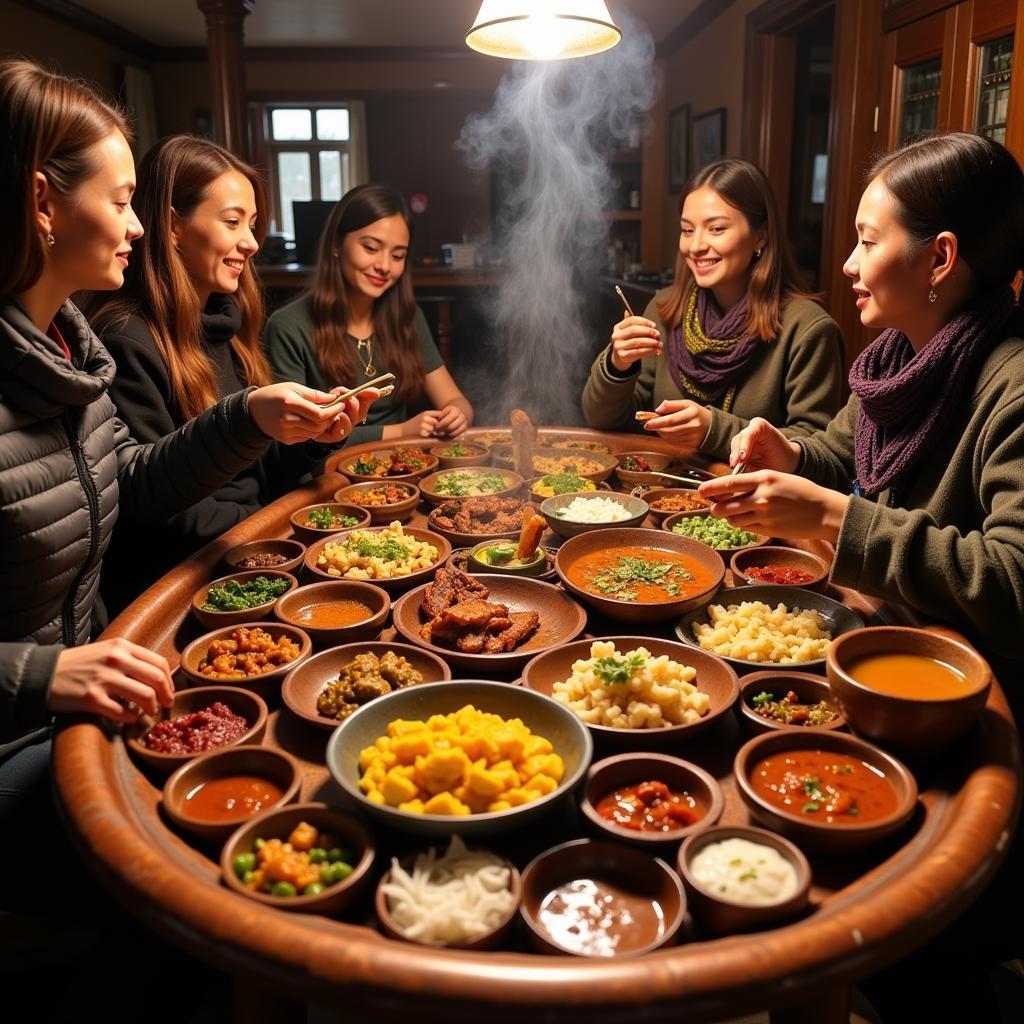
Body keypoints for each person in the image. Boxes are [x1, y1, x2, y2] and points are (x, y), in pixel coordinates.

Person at [0, 58, 376, 762]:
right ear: (43, 204)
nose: (136, 227)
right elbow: (151, 515)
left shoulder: (75, 356)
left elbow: (133, 480)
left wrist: (257, 417)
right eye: (120, 203)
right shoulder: (117, 338)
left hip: (108, 682)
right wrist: (45, 672)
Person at [85, 135, 339, 614]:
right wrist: (273, 530)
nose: (251, 241)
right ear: (173, 226)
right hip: (185, 583)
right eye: (232, 222)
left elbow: (257, 475)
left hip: (249, 549)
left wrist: (313, 437)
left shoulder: (227, 322)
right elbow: (149, 507)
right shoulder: (124, 337)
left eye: (254, 224)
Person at [581, 159, 843, 460]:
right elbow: (604, 420)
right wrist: (618, 364)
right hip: (666, 495)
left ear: (760, 236)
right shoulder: (665, 309)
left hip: (755, 503)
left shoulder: (807, 328)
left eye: (716, 229)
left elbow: (816, 450)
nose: (696, 246)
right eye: (687, 230)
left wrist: (713, 430)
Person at [265, 182, 474, 443]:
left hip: (400, 467)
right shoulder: (288, 326)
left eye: (398, 256)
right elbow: (291, 440)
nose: (384, 266)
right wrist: (400, 431)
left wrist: (457, 414)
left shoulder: (406, 317)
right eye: (371, 248)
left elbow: (455, 400)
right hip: (325, 470)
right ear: (336, 245)